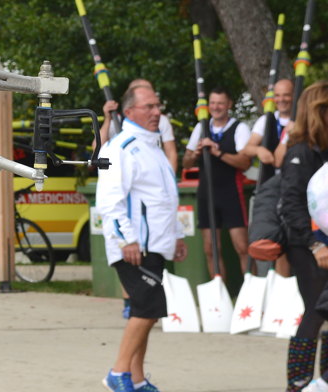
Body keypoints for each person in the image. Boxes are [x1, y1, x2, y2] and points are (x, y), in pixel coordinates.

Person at [96, 86, 188, 392]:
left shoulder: (155, 147)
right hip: (134, 246)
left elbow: (163, 198)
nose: (156, 111)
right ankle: (119, 372)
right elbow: (110, 200)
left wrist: (175, 235)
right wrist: (127, 239)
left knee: (144, 310)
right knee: (148, 310)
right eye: (149, 106)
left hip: (156, 246)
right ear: (129, 111)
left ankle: (136, 379)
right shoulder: (120, 147)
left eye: (157, 105)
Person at [267, 82, 328, 392]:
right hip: (307, 245)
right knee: (316, 310)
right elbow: (291, 204)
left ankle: (322, 382)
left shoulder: (323, 149)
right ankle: (298, 384)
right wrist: (314, 245)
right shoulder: (300, 153)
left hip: (324, 242)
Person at [182, 87, 251, 276]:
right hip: (206, 194)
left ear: (228, 105)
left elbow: (244, 162)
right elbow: (186, 163)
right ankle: (219, 298)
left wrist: (216, 151)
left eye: (220, 103)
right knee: (210, 249)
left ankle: (251, 298)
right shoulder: (201, 127)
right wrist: (195, 153)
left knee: (242, 247)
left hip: (231, 193)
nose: (216, 107)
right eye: (212, 103)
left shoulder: (240, 128)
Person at [98, 78, 178, 173]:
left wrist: (170, 179)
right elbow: (98, 148)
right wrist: (107, 118)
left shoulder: (162, 120)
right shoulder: (117, 121)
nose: (156, 112)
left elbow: (171, 153)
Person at [246, 78, 294, 169]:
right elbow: (247, 148)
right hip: (271, 174)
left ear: (294, 95)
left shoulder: (303, 119)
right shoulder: (265, 120)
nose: (281, 99)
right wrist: (258, 150)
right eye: (277, 95)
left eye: (286, 95)